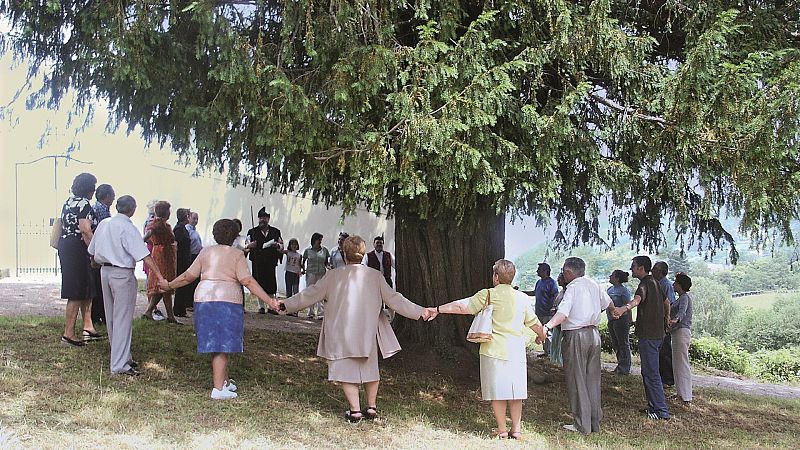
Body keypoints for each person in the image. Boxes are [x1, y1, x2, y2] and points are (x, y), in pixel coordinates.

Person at [279, 235, 430, 422]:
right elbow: (395, 299)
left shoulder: (333, 276)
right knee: (370, 369)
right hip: (368, 331)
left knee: (345, 370)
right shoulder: (375, 276)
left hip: (341, 331)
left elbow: (310, 294)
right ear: (364, 254)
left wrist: (286, 305)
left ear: (344, 253)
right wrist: (420, 311)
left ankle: (355, 410)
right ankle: (372, 407)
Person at [163, 219, 280, 399]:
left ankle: (224, 381)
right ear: (234, 236)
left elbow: (188, 276)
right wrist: (269, 301)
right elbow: (247, 281)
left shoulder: (205, 252)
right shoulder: (236, 255)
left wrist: (170, 285)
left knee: (217, 343)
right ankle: (218, 389)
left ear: (214, 234)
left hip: (203, 299)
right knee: (222, 345)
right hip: (227, 301)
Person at [432, 259, 546, 440]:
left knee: (498, 391)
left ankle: (501, 430)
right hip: (515, 350)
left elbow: (462, 306)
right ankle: (516, 430)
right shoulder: (522, 298)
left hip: (492, 351)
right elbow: (535, 324)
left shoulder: (488, 295)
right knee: (516, 392)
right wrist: (542, 336)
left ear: (496, 276)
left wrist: (438, 309)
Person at [88, 195, 166, 375]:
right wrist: (160, 277)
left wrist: (96, 263)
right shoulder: (127, 227)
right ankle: (119, 364)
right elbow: (144, 255)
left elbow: (92, 251)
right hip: (121, 273)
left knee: (112, 316)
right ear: (132, 209)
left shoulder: (104, 224)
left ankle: (123, 357)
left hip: (104, 271)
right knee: (122, 318)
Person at [542, 257, 620, 434]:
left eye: (563, 271)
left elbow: (563, 312)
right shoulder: (593, 284)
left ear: (568, 272)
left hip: (576, 334)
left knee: (576, 379)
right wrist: (614, 311)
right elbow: (608, 303)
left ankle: (581, 424)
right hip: (593, 334)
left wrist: (547, 326)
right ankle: (594, 423)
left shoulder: (573, 287)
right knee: (593, 379)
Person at [613, 255, 671, 420]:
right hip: (658, 334)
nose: (631, 269)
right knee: (650, 372)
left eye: (633, 266)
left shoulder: (645, 284)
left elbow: (637, 300)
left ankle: (661, 411)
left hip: (649, 336)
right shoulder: (656, 283)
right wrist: (666, 319)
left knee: (651, 373)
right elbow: (666, 302)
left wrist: (623, 310)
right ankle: (653, 407)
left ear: (641, 268)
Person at [57, 173, 101, 346]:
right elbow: (85, 229)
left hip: (66, 245)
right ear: (88, 188)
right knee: (76, 291)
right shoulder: (84, 204)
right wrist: (93, 252)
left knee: (85, 288)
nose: (94, 190)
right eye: (93, 186)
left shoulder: (68, 202)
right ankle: (68, 334)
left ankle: (87, 327)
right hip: (78, 247)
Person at [141, 201, 179, 323]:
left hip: (166, 255)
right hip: (162, 255)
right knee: (164, 284)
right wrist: (140, 243)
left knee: (165, 286)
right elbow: (148, 234)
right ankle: (154, 312)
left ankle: (167, 315)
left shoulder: (163, 223)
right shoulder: (157, 223)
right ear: (165, 212)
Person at [245, 207, 283, 314]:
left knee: (270, 284)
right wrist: (251, 245)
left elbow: (281, 245)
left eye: (265, 218)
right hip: (258, 261)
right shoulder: (252, 231)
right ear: (258, 219)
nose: (263, 220)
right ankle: (261, 306)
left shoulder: (276, 231)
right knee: (258, 283)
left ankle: (271, 306)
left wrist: (277, 245)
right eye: (261, 218)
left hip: (270, 262)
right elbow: (246, 245)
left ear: (268, 219)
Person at [90, 183, 115, 326]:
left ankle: (98, 315)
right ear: (107, 196)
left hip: (97, 252)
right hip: (101, 253)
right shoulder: (102, 210)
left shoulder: (97, 208)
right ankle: (100, 315)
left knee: (98, 286)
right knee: (101, 287)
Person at [670, 272, 694, 404]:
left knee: (682, 363)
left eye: (675, 283)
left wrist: (675, 320)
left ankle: (686, 396)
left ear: (680, 285)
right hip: (677, 332)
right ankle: (680, 393)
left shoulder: (684, 297)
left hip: (681, 332)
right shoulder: (680, 298)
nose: (673, 284)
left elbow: (682, 312)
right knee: (677, 363)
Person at [654, 261, 676, 387]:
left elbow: (670, 303)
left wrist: (666, 320)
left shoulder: (665, 285)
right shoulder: (657, 284)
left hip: (663, 322)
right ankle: (662, 376)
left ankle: (668, 378)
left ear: (661, 271)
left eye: (655, 269)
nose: (652, 271)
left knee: (665, 351)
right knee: (660, 351)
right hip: (658, 322)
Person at [607, 269, 633, 375]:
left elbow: (628, 306)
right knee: (616, 343)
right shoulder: (609, 289)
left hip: (622, 320)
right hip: (611, 320)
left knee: (623, 343)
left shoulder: (624, 291)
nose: (610, 277)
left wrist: (630, 320)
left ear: (617, 278)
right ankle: (620, 365)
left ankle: (625, 367)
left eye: (612, 275)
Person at [142, 200, 165, 321]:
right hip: (153, 250)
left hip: (153, 249)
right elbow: (147, 237)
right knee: (151, 279)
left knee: (151, 279)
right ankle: (152, 307)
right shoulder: (152, 222)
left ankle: (152, 307)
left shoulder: (149, 220)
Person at [533, 263, 558, 357]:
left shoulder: (551, 283)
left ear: (544, 271)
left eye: (539, 269)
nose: (537, 271)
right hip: (539, 312)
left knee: (548, 333)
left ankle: (550, 353)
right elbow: (534, 293)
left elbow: (556, 294)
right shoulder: (539, 282)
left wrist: (553, 307)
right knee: (541, 332)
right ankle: (546, 352)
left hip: (548, 312)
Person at [302, 232, 329, 319]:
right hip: (311, 273)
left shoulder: (324, 250)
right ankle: (311, 312)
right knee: (310, 292)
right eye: (319, 240)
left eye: (321, 240)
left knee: (321, 293)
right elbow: (303, 261)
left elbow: (326, 262)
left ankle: (321, 313)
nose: (320, 242)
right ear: (314, 240)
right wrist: (303, 269)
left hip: (321, 273)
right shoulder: (307, 250)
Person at [172, 208, 192, 317]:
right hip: (181, 260)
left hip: (185, 259)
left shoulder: (182, 228)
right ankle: (178, 309)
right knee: (181, 284)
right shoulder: (179, 229)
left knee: (184, 284)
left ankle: (181, 308)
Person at [548, 273, 568, 367]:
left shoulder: (568, 292)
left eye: (560, 278)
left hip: (563, 323)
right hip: (557, 323)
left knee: (560, 345)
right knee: (555, 343)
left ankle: (561, 363)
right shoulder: (561, 292)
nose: (558, 280)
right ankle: (555, 362)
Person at [283, 238, 301, 316]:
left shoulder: (299, 255)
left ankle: (295, 309)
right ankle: (288, 309)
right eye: (292, 244)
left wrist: (301, 271)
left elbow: (300, 265)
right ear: (290, 245)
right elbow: (280, 251)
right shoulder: (288, 252)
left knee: (295, 292)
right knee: (288, 292)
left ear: (297, 245)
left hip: (295, 274)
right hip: (288, 273)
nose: (294, 246)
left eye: (295, 244)